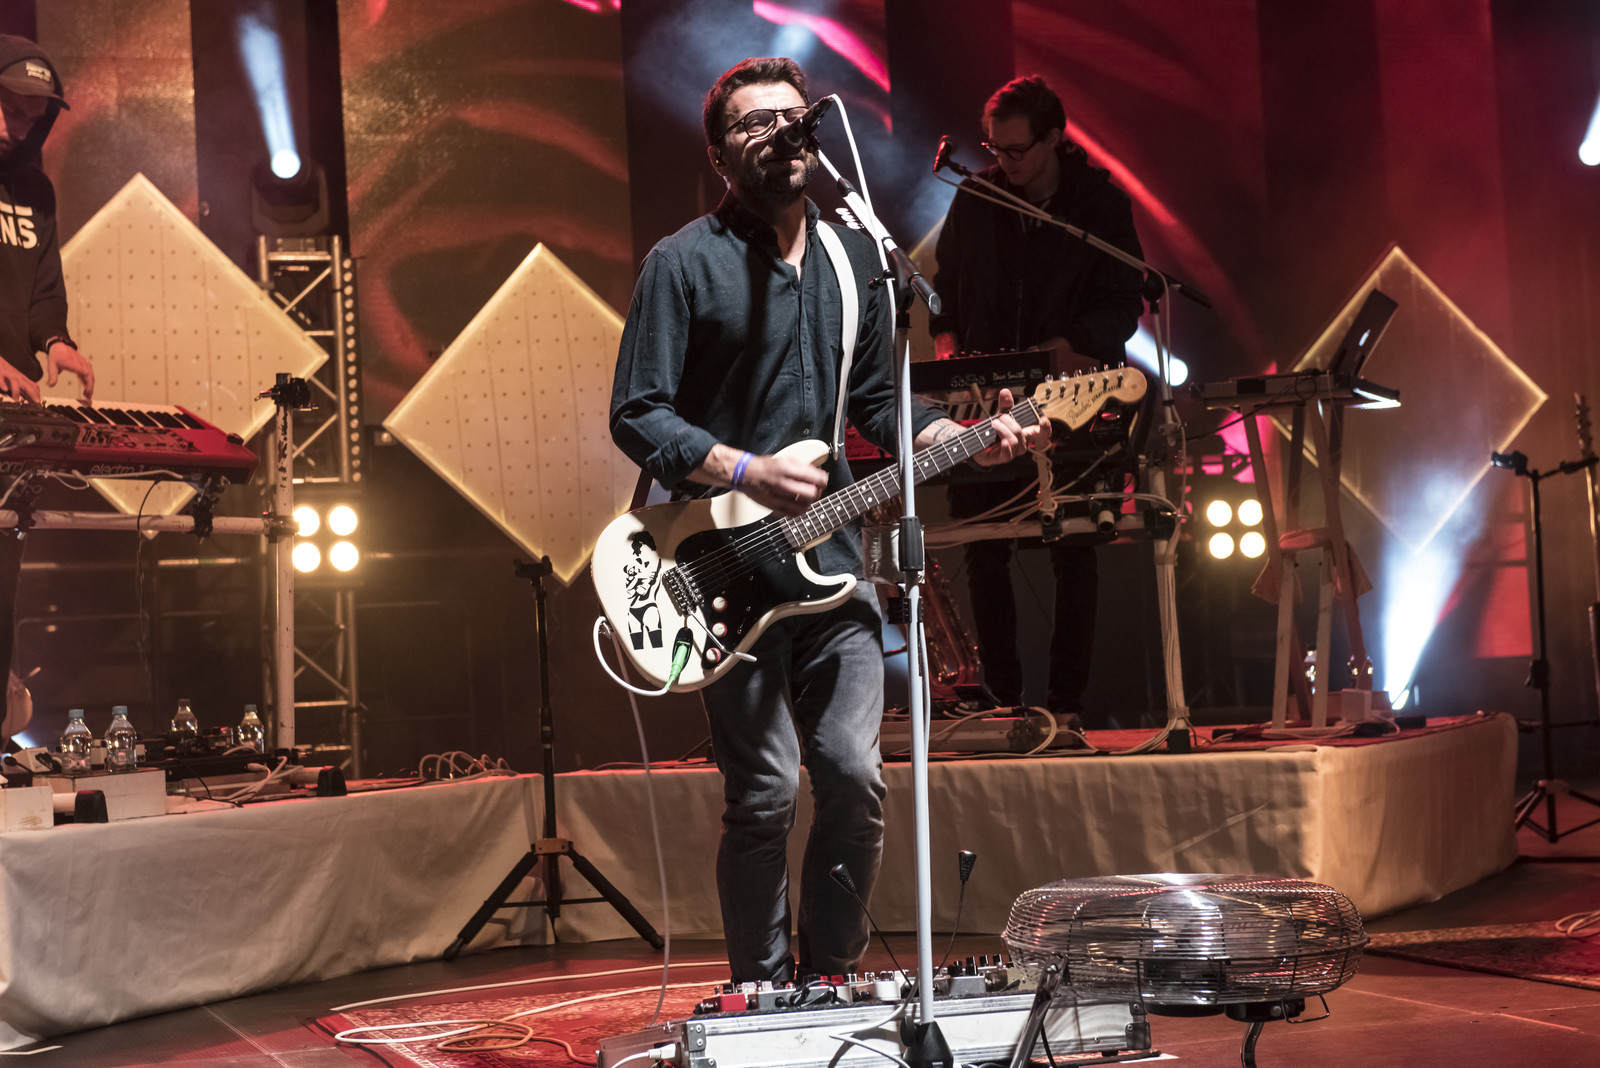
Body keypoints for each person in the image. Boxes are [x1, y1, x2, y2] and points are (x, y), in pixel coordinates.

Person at [610, 57, 1043, 985]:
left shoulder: (858, 259)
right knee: (765, 794)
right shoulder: (681, 263)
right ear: (720, 154)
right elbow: (637, 414)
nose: (779, 131)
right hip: (720, 571)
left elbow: (881, 403)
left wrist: (964, 438)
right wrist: (744, 469)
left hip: (834, 566)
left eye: (792, 115)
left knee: (854, 778)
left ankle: (833, 981)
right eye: (752, 122)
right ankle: (762, 993)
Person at [929, 74, 1143, 731]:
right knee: (984, 543)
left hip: (1072, 393)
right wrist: (948, 345)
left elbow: (1125, 300)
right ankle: (1002, 702)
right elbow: (944, 288)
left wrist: (1071, 344)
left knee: (1072, 542)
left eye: (1017, 150)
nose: (1005, 162)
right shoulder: (978, 196)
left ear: (1054, 138)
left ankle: (1065, 705)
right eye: (995, 148)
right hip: (985, 396)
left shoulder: (1097, 205)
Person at [0, 36, 96, 743]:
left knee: (2, 577)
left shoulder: (34, 190)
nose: (19, 126)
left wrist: (55, 340)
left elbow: (43, 287)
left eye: (33, 117)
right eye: (9, 108)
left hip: (9, 414)